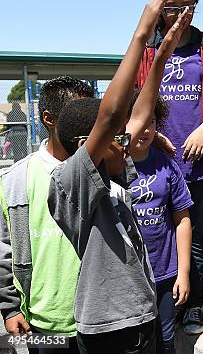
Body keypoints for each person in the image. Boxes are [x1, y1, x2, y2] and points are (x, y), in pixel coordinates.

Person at [47, 0, 189, 353]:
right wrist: (141, 34)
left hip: (139, 313)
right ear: (86, 147)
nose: (129, 137)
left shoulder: (112, 177)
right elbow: (111, 115)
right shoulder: (70, 183)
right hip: (109, 327)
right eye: (117, 136)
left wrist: (161, 58)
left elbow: (139, 116)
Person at [136, 0, 203, 334]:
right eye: (171, 7)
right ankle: (157, 301)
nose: (179, 14)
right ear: (158, 8)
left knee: (196, 234)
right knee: (153, 234)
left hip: (197, 164)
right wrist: (153, 135)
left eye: (187, 7)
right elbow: (133, 99)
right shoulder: (147, 50)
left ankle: (192, 304)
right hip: (154, 163)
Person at [0, 76, 95, 353]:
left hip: (99, 320)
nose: (89, 124)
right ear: (49, 119)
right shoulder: (15, 180)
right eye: (78, 116)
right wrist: (9, 308)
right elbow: (3, 250)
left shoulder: (101, 171)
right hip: (43, 323)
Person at [128, 92, 193, 354]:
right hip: (129, 279)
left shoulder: (167, 166)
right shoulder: (110, 166)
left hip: (165, 274)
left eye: (151, 122)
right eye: (138, 121)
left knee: (166, 340)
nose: (145, 129)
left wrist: (184, 273)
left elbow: (183, 220)